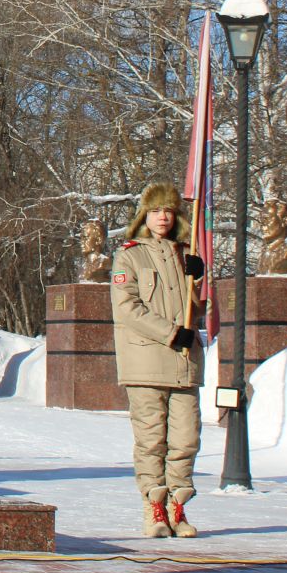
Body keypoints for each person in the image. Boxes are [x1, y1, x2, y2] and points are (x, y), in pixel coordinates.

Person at [109, 182, 207, 538]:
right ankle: (154, 508)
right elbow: (128, 307)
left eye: (168, 210)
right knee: (152, 440)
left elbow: (200, 310)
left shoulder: (188, 252)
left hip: (184, 364)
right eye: (155, 211)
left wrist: (200, 279)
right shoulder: (130, 255)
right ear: (144, 216)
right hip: (146, 361)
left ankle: (177, 507)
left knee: (185, 439)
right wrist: (169, 332)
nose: (162, 217)